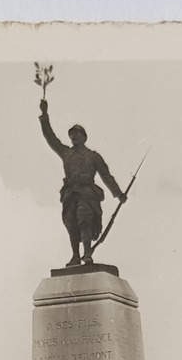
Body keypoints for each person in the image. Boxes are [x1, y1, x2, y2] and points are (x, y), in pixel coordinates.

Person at [39, 98, 126, 266]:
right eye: (72, 135)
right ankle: (75, 256)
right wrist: (44, 115)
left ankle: (87, 254)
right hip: (70, 194)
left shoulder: (93, 156)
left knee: (84, 220)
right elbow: (50, 138)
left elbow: (106, 176)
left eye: (77, 134)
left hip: (87, 194)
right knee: (71, 223)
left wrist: (118, 194)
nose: (74, 137)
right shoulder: (66, 153)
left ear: (84, 137)